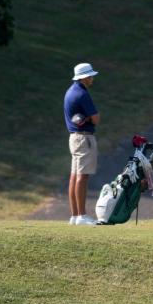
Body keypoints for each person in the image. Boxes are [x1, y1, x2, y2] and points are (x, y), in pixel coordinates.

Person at [64, 63, 101, 225]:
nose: (92, 79)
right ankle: (82, 216)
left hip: (75, 138)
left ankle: (74, 216)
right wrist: (90, 119)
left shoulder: (71, 91)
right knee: (82, 176)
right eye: (90, 76)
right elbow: (96, 118)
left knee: (74, 176)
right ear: (84, 77)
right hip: (84, 139)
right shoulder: (82, 94)